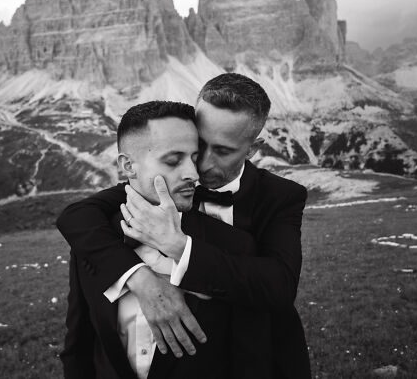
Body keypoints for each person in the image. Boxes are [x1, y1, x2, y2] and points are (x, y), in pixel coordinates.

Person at [58, 73, 311, 378]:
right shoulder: (167, 183)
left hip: (260, 355)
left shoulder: (279, 196)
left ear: (252, 149)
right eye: (198, 145)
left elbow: (278, 287)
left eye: (222, 151)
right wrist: (141, 280)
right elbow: (78, 216)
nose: (199, 166)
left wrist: (179, 248)